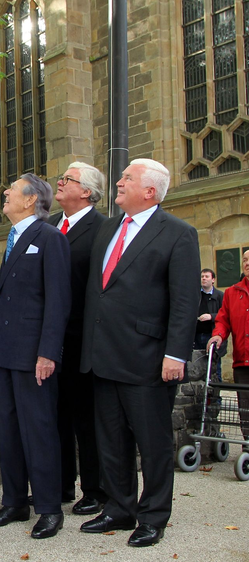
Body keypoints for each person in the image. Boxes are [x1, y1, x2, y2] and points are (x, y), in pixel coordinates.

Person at [79, 158, 199, 547]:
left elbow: (184, 301)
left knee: (153, 442)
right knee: (110, 439)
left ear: (150, 191)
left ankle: (153, 516)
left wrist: (176, 355)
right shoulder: (109, 228)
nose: (118, 181)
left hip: (147, 356)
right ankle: (119, 507)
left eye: (127, 178)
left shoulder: (178, 234)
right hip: (103, 354)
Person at [0, 173, 71, 540]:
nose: (3, 193)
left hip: (35, 355)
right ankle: (15, 501)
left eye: (12, 191)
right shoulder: (15, 238)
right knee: (10, 431)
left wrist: (47, 353)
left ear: (32, 199)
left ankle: (49, 508)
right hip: (8, 352)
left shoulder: (49, 238)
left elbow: (58, 300)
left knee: (39, 431)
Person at [47, 162, 107, 516]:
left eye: (67, 179)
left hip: (84, 339)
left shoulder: (102, 229)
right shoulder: (51, 225)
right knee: (56, 414)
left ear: (86, 191)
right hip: (53, 339)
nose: (60, 181)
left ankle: (95, 489)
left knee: (86, 417)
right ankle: (61, 484)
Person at [208, 249, 249, 449]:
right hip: (242, 361)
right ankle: (248, 444)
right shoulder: (233, 293)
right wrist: (218, 334)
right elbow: (223, 320)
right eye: (245, 260)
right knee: (245, 407)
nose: (247, 263)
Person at [195, 269, 226, 379]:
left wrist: (211, 316)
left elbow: (225, 315)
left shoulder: (220, 296)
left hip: (212, 336)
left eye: (207, 276)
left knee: (214, 369)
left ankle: (215, 396)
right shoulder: (195, 295)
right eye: (202, 276)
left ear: (213, 280)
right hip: (197, 336)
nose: (204, 278)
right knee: (198, 368)